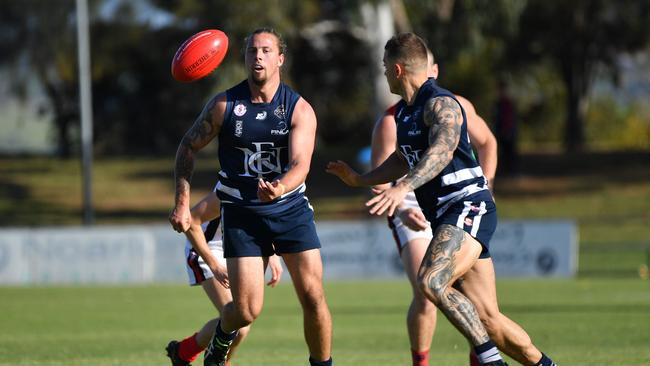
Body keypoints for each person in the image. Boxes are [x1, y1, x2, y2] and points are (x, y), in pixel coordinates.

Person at [327, 32, 556, 366]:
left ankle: (491, 362)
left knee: (431, 281)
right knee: (490, 319)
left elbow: (442, 151)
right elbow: (403, 159)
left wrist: (403, 187)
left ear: (398, 69)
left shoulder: (441, 102)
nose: (383, 72)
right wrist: (361, 179)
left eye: (384, 66)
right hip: (447, 213)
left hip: (466, 204)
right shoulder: (404, 113)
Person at [169, 28, 332, 366]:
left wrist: (282, 186)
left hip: (290, 210)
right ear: (244, 59)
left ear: (280, 59)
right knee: (245, 311)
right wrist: (182, 202)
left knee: (314, 298)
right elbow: (187, 145)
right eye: (252, 51)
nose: (258, 56)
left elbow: (302, 164)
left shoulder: (299, 109)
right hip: (242, 215)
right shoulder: (224, 105)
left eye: (266, 51)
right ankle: (217, 349)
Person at [371, 49, 497, 366]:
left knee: (476, 304)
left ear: (433, 70)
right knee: (426, 288)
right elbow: (383, 181)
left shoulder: (454, 106)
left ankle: (483, 357)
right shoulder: (391, 120)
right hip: (410, 206)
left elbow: (487, 143)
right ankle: (422, 361)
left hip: (456, 201)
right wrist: (400, 210)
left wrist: (487, 185)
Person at [166, 190, 283, 366]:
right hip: (206, 250)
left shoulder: (264, 185)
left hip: (237, 250)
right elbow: (191, 222)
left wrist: (272, 254)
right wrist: (214, 264)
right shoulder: (229, 186)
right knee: (239, 323)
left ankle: (183, 352)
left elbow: (262, 221)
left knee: (239, 321)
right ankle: (191, 354)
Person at [494, 79, 519, 176]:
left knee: (510, 153)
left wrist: (508, 131)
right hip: (500, 131)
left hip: (508, 131)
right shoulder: (498, 103)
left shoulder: (508, 103)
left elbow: (510, 119)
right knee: (501, 153)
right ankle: (504, 172)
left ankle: (512, 172)